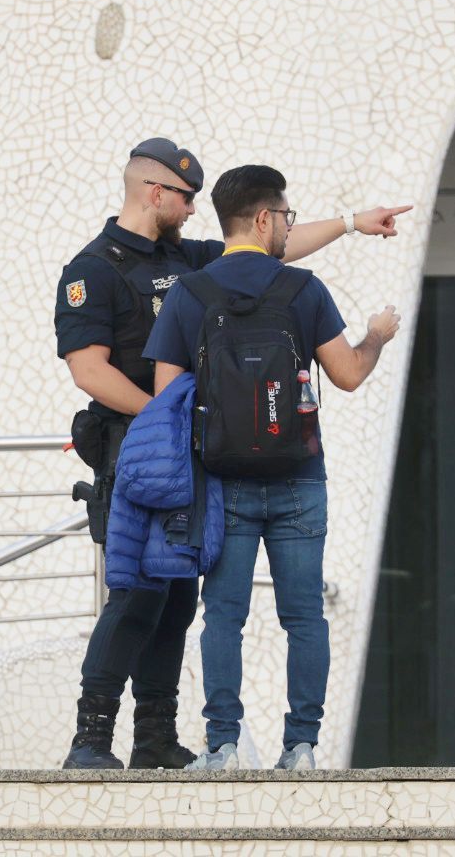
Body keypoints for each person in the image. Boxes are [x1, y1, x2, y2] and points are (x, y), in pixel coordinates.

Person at [55, 139, 409, 769]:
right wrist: (173, 415)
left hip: (196, 453)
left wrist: (353, 222)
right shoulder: (95, 269)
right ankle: (91, 738)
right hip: (139, 450)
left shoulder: (188, 264)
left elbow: (268, 251)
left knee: (179, 596)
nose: (194, 209)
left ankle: (156, 736)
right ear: (155, 192)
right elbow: (89, 371)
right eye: (186, 197)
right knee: (136, 592)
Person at [145, 164, 401, 771]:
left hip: (224, 482)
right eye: (286, 216)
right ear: (264, 219)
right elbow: (348, 374)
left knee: (223, 617)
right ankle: (302, 747)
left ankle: (223, 746)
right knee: (304, 616)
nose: (288, 225)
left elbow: (165, 399)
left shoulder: (189, 293)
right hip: (300, 478)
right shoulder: (303, 289)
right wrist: (377, 335)